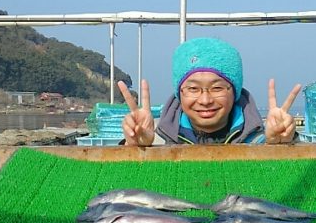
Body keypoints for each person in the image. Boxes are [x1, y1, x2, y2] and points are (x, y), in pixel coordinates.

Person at [118, 37, 301, 146]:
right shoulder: (156, 138)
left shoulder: (260, 139)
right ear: (179, 93)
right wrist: (132, 147)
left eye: (217, 88)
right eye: (193, 89)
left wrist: (286, 144)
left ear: (235, 91)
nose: (205, 100)